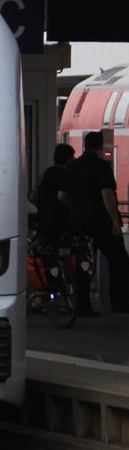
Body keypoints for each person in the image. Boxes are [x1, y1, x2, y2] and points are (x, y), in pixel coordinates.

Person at [60, 131, 129, 314]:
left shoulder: (72, 167)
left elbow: (62, 196)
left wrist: (77, 208)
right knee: (119, 260)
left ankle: (82, 305)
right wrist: (115, 220)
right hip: (101, 222)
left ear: (84, 145)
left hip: (79, 223)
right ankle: (119, 303)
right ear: (100, 146)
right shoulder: (101, 166)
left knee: (83, 262)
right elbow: (106, 193)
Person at [33, 143, 74, 242]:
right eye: (72, 157)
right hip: (61, 223)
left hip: (44, 222)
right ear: (68, 159)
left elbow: (34, 196)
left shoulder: (46, 173)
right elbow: (64, 197)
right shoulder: (67, 174)